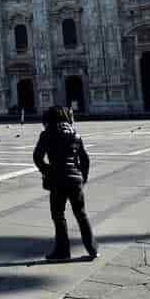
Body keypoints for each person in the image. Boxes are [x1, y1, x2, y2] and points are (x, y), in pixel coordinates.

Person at [33, 106, 97, 261]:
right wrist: (83, 177)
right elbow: (85, 160)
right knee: (81, 214)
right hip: (75, 180)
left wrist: (47, 171)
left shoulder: (46, 134)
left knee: (58, 216)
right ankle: (92, 249)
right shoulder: (76, 135)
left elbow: (37, 157)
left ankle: (63, 252)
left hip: (57, 180)